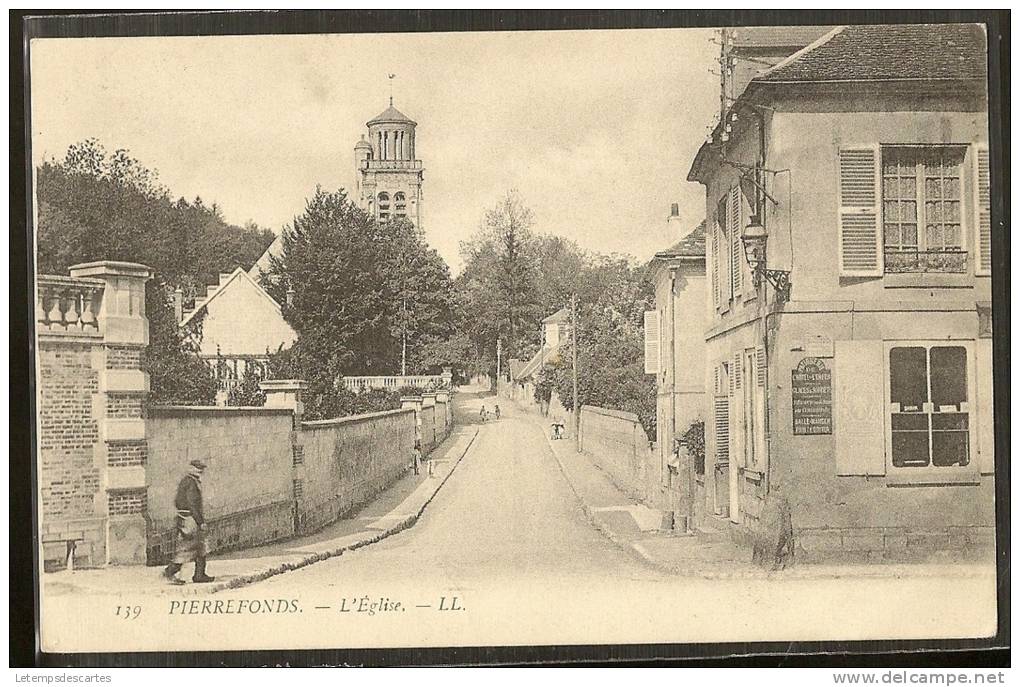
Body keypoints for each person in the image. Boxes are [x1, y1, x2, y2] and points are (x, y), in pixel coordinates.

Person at [162, 458, 215, 585]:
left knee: (201, 546)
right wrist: (200, 521)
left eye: (201, 468)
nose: (201, 471)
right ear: (192, 469)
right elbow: (192, 504)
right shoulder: (191, 483)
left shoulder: (188, 481)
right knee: (187, 548)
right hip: (190, 519)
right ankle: (169, 572)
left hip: (187, 517)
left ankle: (199, 575)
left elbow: (177, 501)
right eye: (198, 468)